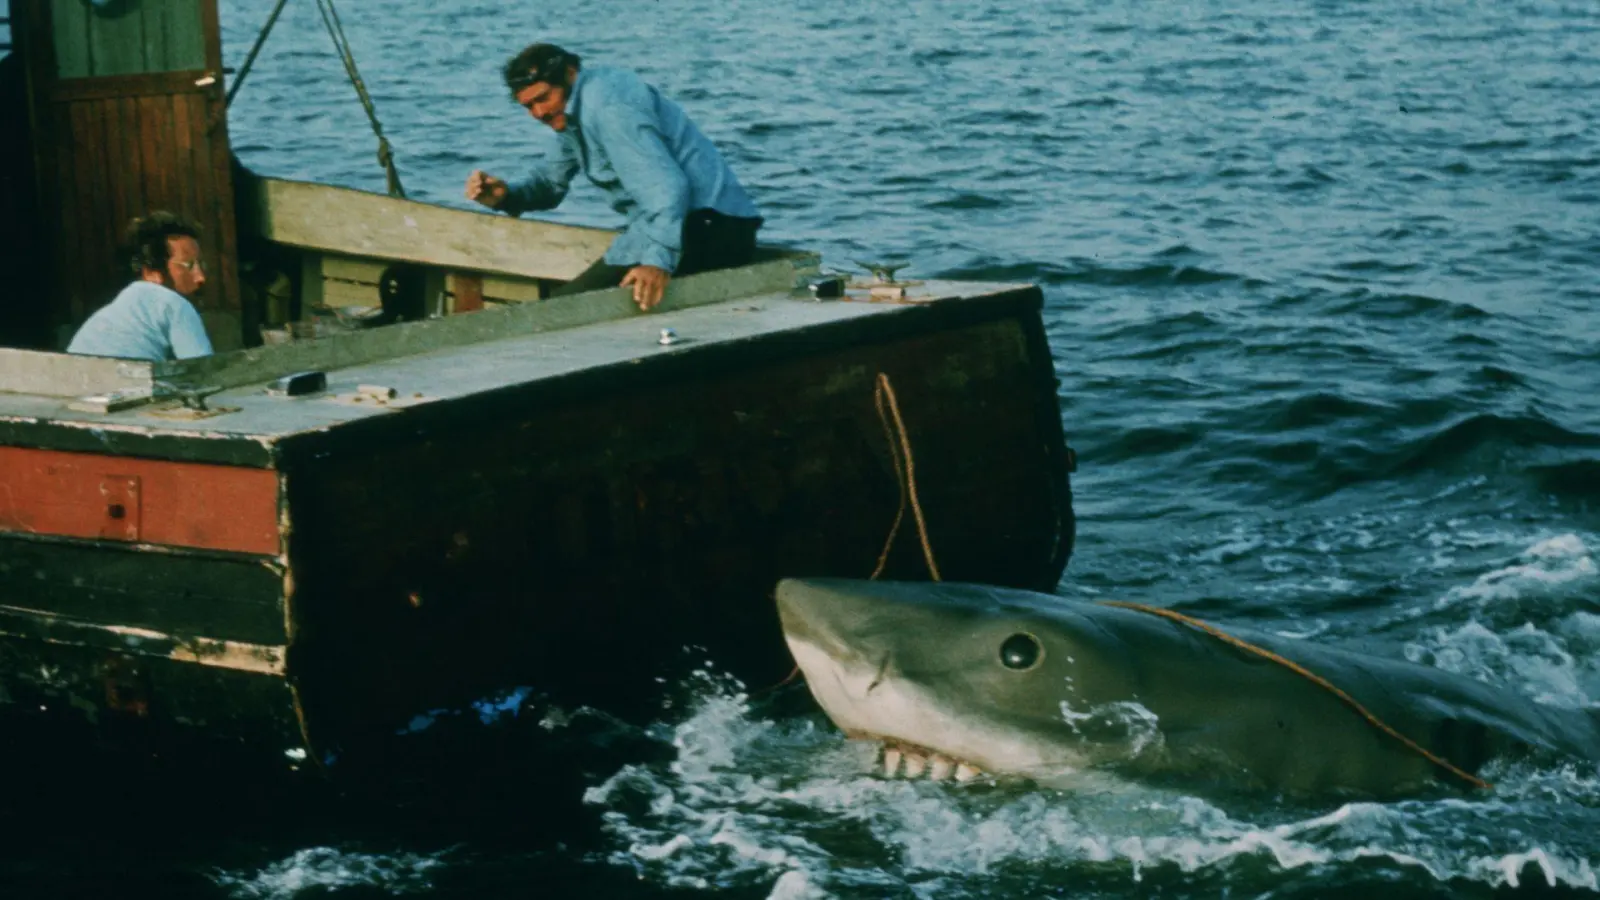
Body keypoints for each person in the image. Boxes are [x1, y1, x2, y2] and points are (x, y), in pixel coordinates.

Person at [465, 43, 762, 311]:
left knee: (561, 313)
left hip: (710, 226)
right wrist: (507, 196)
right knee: (562, 308)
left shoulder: (607, 107)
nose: (538, 113)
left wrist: (657, 262)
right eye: (528, 106)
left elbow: (668, 189)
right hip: (668, 226)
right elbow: (549, 183)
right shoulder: (571, 112)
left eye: (543, 98)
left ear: (570, 74)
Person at [66, 212, 214, 361]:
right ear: (151, 270)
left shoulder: (114, 312)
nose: (200, 277)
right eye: (188, 265)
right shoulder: (174, 305)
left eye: (201, 265)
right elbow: (203, 368)